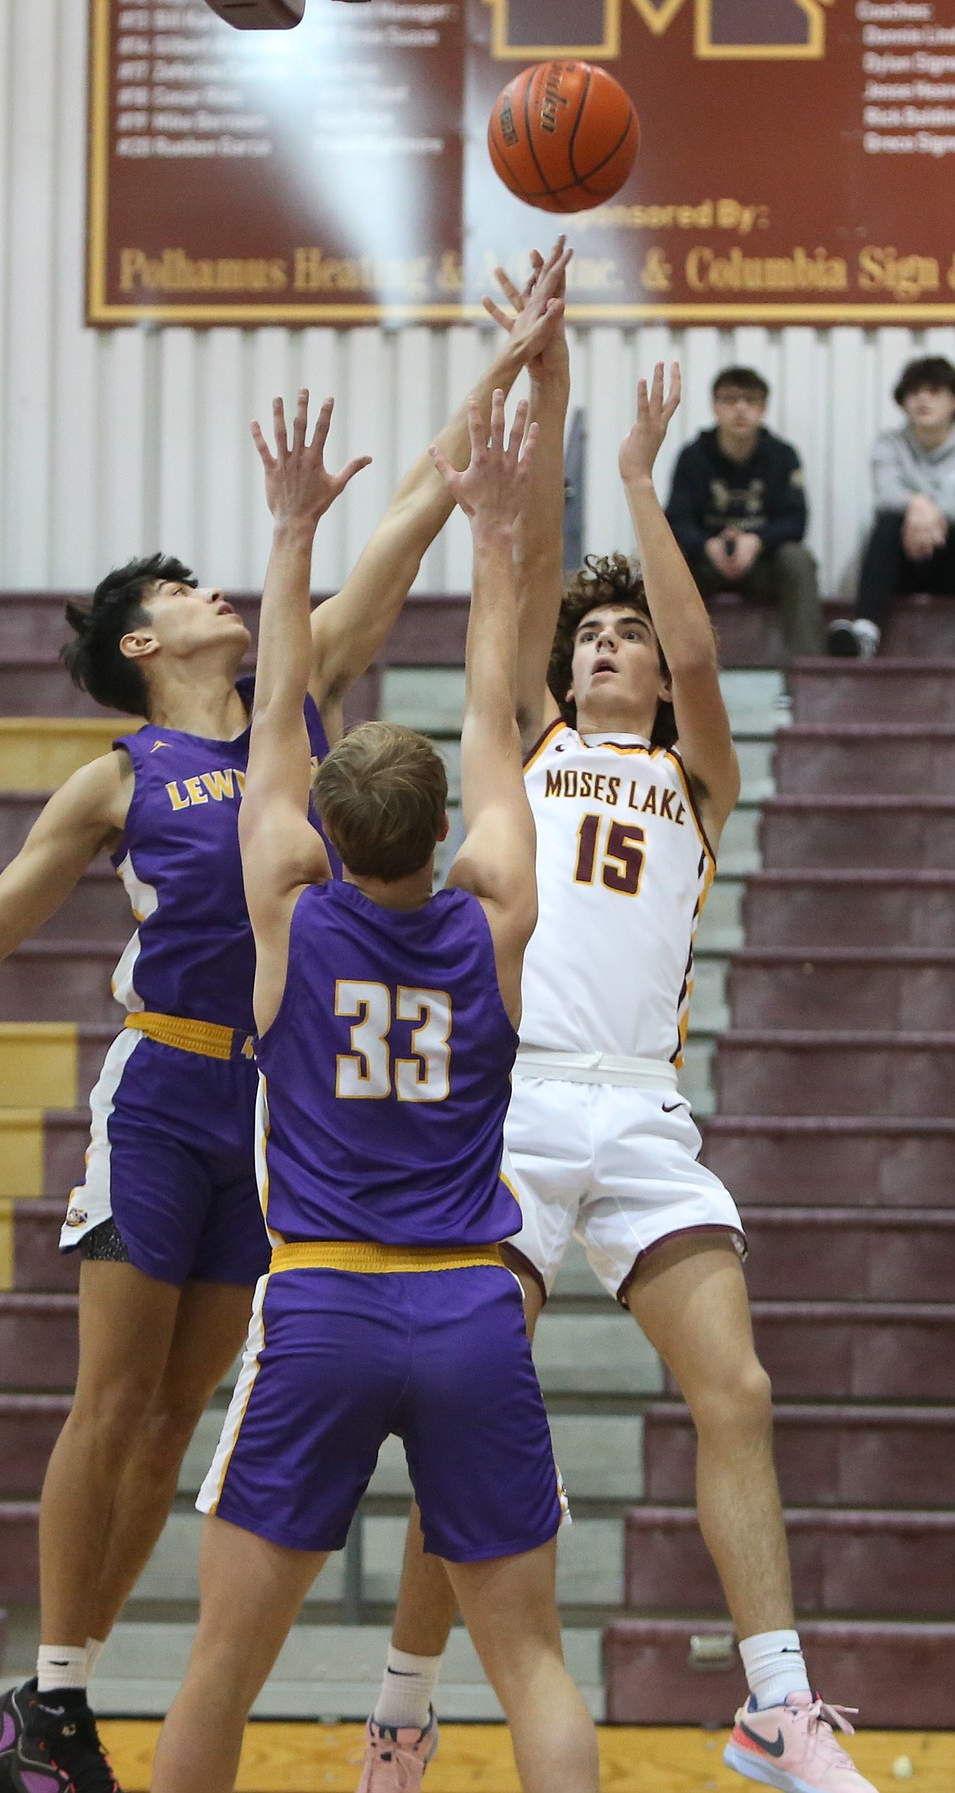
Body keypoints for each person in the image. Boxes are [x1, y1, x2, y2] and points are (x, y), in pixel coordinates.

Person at [0, 250, 568, 1793]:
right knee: (113, 1396)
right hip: (167, 1092)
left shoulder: (308, 705)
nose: (213, 588)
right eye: (175, 589)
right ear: (143, 647)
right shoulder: (116, 777)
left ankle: (78, 1690)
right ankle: (48, 1692)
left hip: (281, 1111)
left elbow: (423, 501)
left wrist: (504, 371)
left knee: (178, 1419)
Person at [360, 279, 878, 1793]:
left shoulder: (693, 776)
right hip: (511, 1116)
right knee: (469, 1423)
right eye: (587, 637)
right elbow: (513, 555)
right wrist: (551, 370)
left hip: (641, 1114)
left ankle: (773, 1708)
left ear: (651, 671)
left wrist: (645, 485)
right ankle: (401, 1705)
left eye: (622, 639)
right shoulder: (526, 749)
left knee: (741, 1394)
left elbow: (707, 663)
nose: (601, 648)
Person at [150, 381, 599, 1793]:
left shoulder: (287, 910)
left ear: (325, 834)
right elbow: (490, 698)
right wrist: (503, 536)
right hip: (470, 1300)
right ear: (438, 837)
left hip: (328, 1299)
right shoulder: (495, 914)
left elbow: (275, 705)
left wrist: (291, 531)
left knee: (221, 1663)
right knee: (530, 1664)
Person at [665, 365, 822, 658]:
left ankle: (808, 670)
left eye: (750, 401)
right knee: (661, 561)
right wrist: (706, 545)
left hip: (760, 565)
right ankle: (660, 664)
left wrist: (757, 540)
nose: (740, 409)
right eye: (730, 400)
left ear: (763, 408)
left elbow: (795, 521)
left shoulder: (782, 454)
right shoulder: (693, 455)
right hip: (706, 564)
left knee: (798, 560)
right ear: (715, 406)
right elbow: (674, 519)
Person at [828, 355, 955, 659]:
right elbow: (887, 493)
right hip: (906, 561)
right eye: (914, 392)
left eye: (934, 391)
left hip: (948, 557)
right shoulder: (889, 443)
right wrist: (917, 503)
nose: (923, 399)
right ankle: (866, 633)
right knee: (887, 524)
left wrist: (929, 512)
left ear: (953, 402)